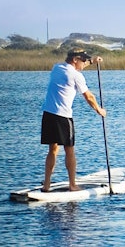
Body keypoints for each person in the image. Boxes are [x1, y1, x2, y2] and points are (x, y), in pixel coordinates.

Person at [41, 48, 106, 192]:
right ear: (75, 60)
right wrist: (99, 110)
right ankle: (72, 185)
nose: (84, 63)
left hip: (48, 114)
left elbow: (75, 68)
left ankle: (46, 185)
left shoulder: (57, 68)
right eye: (82, 60)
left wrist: (92, 61)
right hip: (63, 116)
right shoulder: (76, 76)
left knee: (53, 149)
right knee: (69, 149)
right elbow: (89, 97)